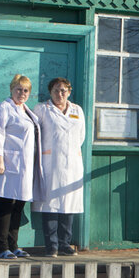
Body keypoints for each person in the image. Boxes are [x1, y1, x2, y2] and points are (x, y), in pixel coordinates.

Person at [0, 74, 41, 258]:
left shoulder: (27, 111)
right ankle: (1, 247)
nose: (22, 93)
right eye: (18, 89)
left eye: (25, 90)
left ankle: (14, 245)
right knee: (5, 206)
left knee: (18, 207)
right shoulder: (3, 109)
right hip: (7, 164)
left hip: (24, 167)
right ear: (11, 89)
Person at [33, 77, 85, 256]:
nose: (60, 94)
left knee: (68, 204)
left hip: (72, 164)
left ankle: (65, 243)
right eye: (56, 90)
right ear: (50, 92)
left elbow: (81, 137)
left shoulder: (77, 110)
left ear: (69, 92)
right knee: (50, 205)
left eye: (63, 90)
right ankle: (52, 246)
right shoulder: (42, 109)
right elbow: (35, 133)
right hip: (51, 163)